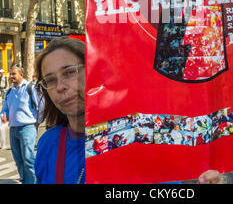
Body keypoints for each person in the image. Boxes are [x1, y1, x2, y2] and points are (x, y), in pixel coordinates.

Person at [34, 36, 221, 184]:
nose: (60, 86)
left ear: (93, 71)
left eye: (69, 72)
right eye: (50, 80)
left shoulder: (137, 138)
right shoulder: (48, 144)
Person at [0, 65, 40, 184]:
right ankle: (24, 180)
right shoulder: (9, 91)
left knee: (28, 158)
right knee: (18, 159)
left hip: (28, 127)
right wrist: (3, 114)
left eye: (13, 74)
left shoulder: (30, 88)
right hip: (13, 128)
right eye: (10, 74)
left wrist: (37, 122)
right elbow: (5, 107)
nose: (11, 76)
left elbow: (40, 106)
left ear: (21, 74)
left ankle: (32, 181)